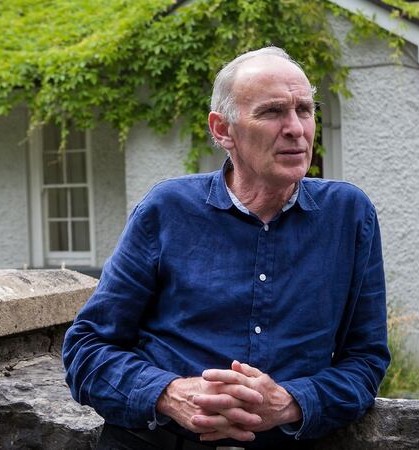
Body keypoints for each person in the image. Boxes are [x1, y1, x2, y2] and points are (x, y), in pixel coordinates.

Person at [63, 46, 390, 450]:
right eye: (272, 112)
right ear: (223, 130)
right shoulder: (167, 209)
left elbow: (366, 361)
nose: (295, 128)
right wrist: (171, 394)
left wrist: (290, 402)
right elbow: (87, 349)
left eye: (304, 110)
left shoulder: (349, 215)